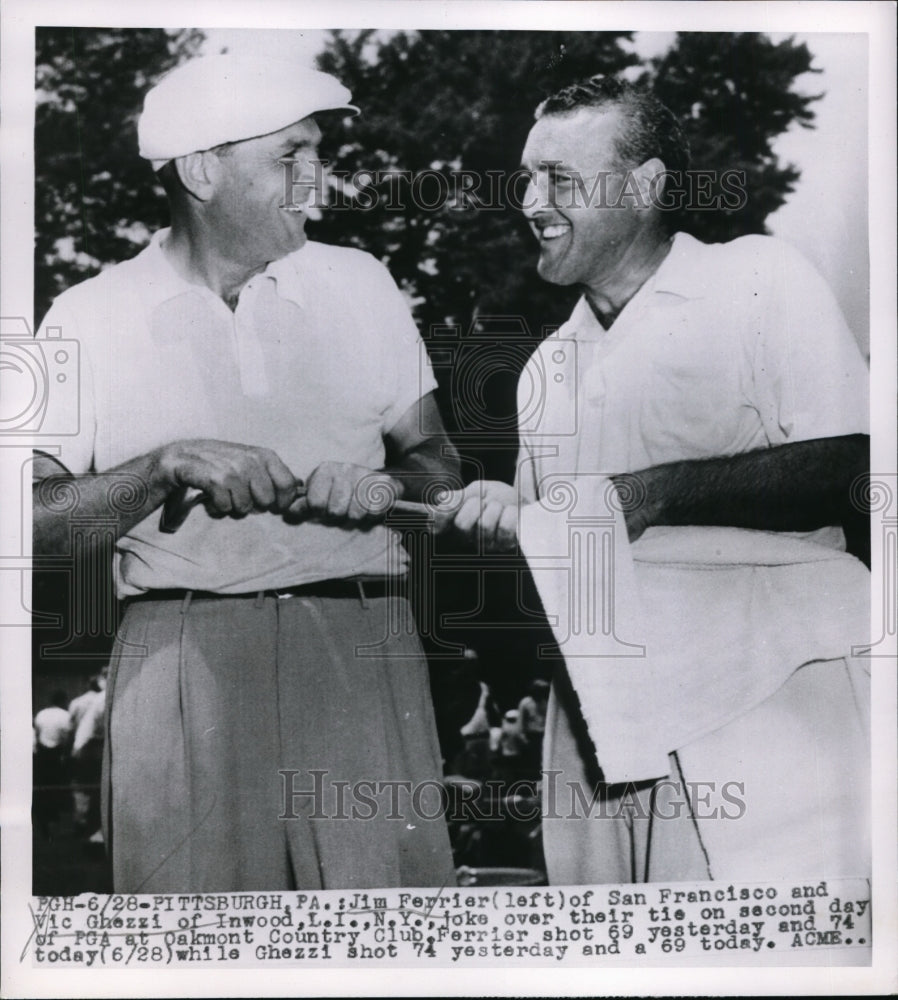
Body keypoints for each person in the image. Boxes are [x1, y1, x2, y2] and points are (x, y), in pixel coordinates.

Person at [33, 52, 460, 892]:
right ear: (200, 169)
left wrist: (386, 487)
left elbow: (440, 467)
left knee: (391, 944)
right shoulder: (83, 314)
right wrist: (163, 467)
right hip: (179, 651)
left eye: (319, 153)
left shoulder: (362, 283)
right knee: (190, 945)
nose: (319, 182)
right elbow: (28, 524)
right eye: (290, 156)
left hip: (362, 642)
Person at [445, 76, 870, 883]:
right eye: (527, 178)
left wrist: (651, 495)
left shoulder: (761, 278)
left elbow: (852, 465)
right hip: (601, 723)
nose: (530, 201)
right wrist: (509, 525)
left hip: (767, 701)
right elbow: (562, 568)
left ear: (644, 187)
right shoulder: (545, 369)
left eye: (559, 179)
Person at [68, 673, 107, 836]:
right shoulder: (103, 698)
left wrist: (74, 749)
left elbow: (77, 727)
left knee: (84, 788)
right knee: (99, 789)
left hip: (86, 745)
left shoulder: (79, 701)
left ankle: (82, 821)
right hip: (98, 745)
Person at [33, 691, 73, 833]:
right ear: (63, 701)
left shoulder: (42, 714)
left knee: (44, 784)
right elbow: (68, 738)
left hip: (43, 752)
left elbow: (37, 733)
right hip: (58, 753)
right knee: (57, 784)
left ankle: (45, 814)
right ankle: (54, 814)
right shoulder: (65, 715)